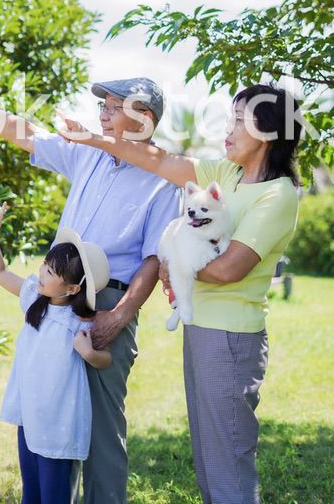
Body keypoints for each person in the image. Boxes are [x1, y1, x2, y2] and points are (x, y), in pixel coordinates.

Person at [0, 63, 181, 504]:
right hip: (57, 299)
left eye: (114, 107)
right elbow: (25, 133)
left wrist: (120, 315)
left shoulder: (164, 179)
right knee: (52, 415)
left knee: (103, 430)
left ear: (143, 117)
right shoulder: (86, 151)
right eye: (102, 106)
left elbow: (152, 260)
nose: (103, 115)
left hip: (108, 302)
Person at [58, 82, 302, 504]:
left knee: (228, 458)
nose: (227, 129)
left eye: (238, 120)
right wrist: (94, 138)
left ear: (268, 132)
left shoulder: (278, 194)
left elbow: (228, 269)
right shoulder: (228, 174)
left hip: (231, 337)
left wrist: (172, 261)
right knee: (209, 458)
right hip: (202, 329)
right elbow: (159, 160)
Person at [0, 202, 111, 504]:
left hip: (58, 422)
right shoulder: (33, 299)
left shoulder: (78, 322)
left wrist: (88, 352)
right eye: (45, 265)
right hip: (30, 413)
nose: (41, 272)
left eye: (51, 272)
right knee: (31, 492)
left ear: (71, 289)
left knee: (54, 494)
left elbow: (106, 360)